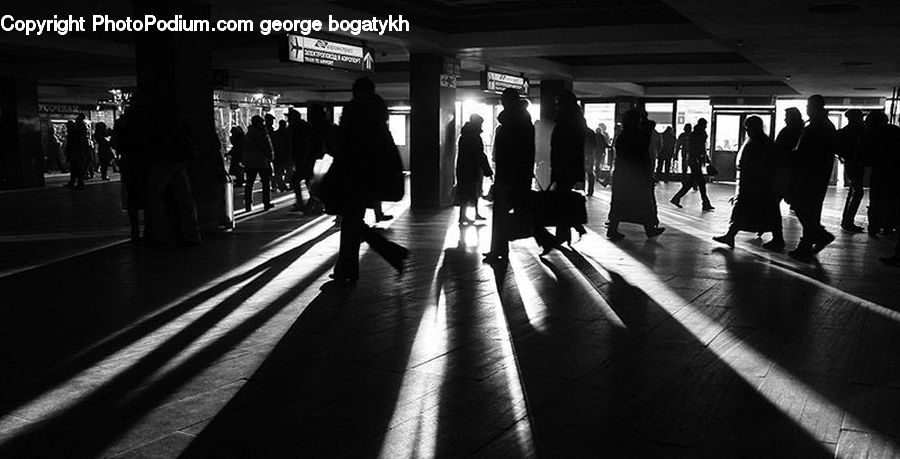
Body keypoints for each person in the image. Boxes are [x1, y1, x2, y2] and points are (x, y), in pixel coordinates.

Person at [330, 77, 409, 282]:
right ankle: (347, 269)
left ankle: (386, 252)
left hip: (353, 173)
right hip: (371, 175)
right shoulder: (379, 114)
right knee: (352, 221)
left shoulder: (354, 111)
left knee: (351, 221)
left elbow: (344, 143)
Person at [483, 88, 557, 264]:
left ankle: (499, 250)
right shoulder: (524, 123)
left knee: (502, 214)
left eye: (502, 99)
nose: (500, 101)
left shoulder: (511, 123)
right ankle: (543, 239)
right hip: (520, 176)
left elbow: (508, 153)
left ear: (507, 101)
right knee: (524, 211)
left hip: (509, 176)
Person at [713, 116, 785, 249]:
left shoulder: (756, 143)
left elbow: (755, 166)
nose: (747, 131)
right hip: (761, 185)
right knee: (766, 212)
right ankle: (777, 238)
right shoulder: (765, 142)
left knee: (744, 211)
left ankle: (731, 235)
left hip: (756, 185)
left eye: (748, 128)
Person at [787, 95, 836, 257]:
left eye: (808, 106)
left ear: (815, 107)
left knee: (803, 207)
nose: (807, 109)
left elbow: (806, 152)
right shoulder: (823, 124)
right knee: (809, 209)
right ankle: (807, 244)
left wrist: (792, 158)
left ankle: (818, 236)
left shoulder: (817, 126)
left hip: (810, 175)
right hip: (816, 175)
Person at [607, 108, 666, 241]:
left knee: (619, 203)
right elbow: (650, 124)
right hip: (637, 175)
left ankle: (613, 229)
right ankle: (649, 229)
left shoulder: (623, 136)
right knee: (643, 203)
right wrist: (643, 117)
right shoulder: (639, 136)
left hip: (622, 174)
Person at [145, 113, 201, 247]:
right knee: (185, 198)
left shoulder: (157, 125)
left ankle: (160, 235)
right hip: (179, 159)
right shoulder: (179, 124)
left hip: (165, 160)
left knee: (154, 196)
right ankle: (192, 234)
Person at [549, 90, 587, 245]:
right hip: (571, 166)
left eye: (558, 103)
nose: (556, 105)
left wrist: (557, 167)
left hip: (563, 166)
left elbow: (560, 147)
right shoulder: (577, 120)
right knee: (564, 198)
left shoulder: (564, 121)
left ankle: (563, 233)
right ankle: (569, 229)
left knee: (561, 199)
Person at [112, 97, 152, 241]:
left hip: (128, 161)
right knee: (149, 195)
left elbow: (115, 143)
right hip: (146, 161)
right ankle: (151, 227)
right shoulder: (147, 122)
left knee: (132, 196)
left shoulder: (121, 123)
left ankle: (134, 229)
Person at [859, 110, 900, 236]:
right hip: (895, 172)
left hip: (879, 171)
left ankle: (874, 226)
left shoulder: (869, 134)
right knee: (891, 201)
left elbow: (862, 154)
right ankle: (888, 226)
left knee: (876, 200)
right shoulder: (895, 131)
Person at [456, 114, 493, 225]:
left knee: (466, 192)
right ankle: (466, 215)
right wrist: (487, 169)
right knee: (472, 191)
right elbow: (479, 154)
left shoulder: (465, 135)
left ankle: (463, 215)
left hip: (464, 167)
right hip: (472, 168)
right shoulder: (474, 136)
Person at [670, 118, 714, 210]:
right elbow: (700, 148)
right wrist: (705, 158)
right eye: (705, 124)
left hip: (692, 160)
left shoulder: (695, 134)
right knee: (699, 182)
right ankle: (705, 203)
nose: (706, 126)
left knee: (693, 182)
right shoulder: (699, 134)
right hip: (695, 160)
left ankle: (677, 198)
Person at [836, 109, 866, 232]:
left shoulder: (844, 132)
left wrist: (844, 158)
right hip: (855, 164)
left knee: (853, 191)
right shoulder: (859, 132)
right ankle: (848, 221)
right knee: (858, 192)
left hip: (850, 163)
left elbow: (838, 148)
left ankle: (847, 220)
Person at [242, 115, 275, 212]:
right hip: (262, 161)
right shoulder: (263, 133)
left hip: (250, 163)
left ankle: (248, 204)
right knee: (265, 182)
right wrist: (271, 157)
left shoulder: (247, 134)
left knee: (249, 183)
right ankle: (266, 202)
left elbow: (243, 149)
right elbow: (268, 147)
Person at [773, 107, 805, 203]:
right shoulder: (802, 130)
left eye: (787, 116)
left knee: (775, 197)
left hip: (784, 168)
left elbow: (779, 149)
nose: (785, 119)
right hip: (793, 168)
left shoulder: (788, 131)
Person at [64, 115, 90, 189]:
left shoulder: (75, 133)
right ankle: (76, 182)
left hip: (76, 152)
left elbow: (72, 144)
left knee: (76, 168)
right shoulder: (81, 129)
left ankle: (77, 183)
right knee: (77, 168)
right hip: (79, 151)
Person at [272, 119, 292, 192]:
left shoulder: (275, 134)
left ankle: (281, 185)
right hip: (287, 156)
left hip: (277, 156)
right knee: (289, 170)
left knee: (278, 172)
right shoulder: (288, 134)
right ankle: (289, 184)